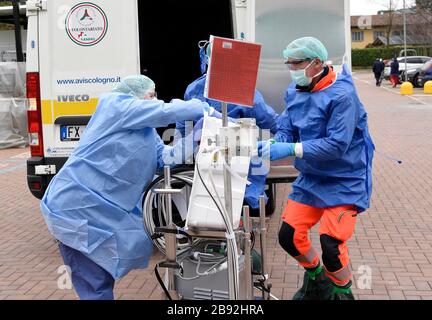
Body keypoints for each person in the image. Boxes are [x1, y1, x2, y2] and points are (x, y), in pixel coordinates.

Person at [40, 75, 212, 300]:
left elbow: (167, 159)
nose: (154, 99)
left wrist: (194, 137)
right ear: (135, 95)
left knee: (101, 274)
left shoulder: (147, 133)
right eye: (151, 95)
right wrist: (200, 107)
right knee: (93, 280)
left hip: (100, 212)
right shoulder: (115, 105)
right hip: (74, 205)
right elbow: (164, 112)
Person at [259, 37, 375, 300]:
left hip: (345, 178)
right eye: (289, 64)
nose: (292, 69)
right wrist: (277, 142)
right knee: (288, 236)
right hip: (312, 177)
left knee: (331, 245)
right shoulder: (296, 90)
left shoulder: (343, 96)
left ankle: (342, 293)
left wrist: (292, 150)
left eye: (297, 63)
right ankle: (317, 278)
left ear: (317, 63)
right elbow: (288, 127)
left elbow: (337, 145)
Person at [175, 41, 279, 210]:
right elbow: (268, 119)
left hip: (207, 156)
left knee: (213, 205)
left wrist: (181, 153)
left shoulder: (194, 88)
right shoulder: (242, 87)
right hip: (238, 156)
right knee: (238, 203)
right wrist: (292, 134)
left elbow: (183, 126)